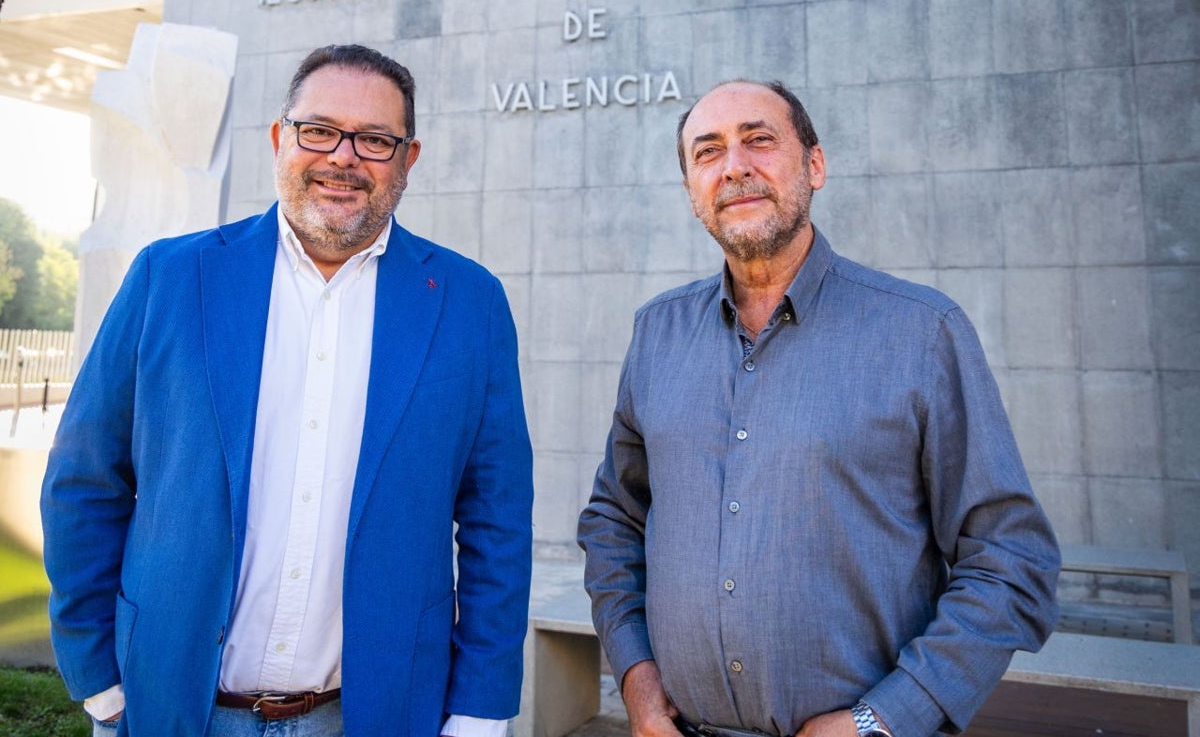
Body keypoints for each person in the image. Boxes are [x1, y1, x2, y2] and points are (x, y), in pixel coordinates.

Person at [41, 44, 534, 737]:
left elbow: (497, 519)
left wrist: (480, 709)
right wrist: (99, 679)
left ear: (408, 159)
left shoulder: (469, 304)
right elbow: (84, 480)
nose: (343, 156)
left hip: (374, 714)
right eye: (319, 130)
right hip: (171, 706)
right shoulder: (169, 279)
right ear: (281, 139)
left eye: (375, 140)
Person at [577, 80, 1060, 737]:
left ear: (815, 165)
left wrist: (881, 720)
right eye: (707, 152)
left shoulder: (921, 333)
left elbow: (1010, 560)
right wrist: (634, 673)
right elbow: (614, 521)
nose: (735, 167)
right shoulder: (657, 335)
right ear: (693, 192)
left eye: (759, 140)